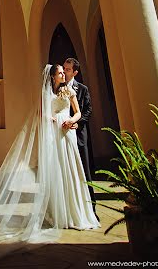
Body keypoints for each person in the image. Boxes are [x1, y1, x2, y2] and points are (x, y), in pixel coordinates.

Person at [0, 64, 99, 268]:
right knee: (58, 174)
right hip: (55, 135)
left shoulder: (70, 91)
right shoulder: (45, 93)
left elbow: (78, 112)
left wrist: (72, 121)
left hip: (68, 136)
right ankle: (59, 212)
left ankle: (76, 211)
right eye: (60, 72)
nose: (63, 74)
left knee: (72, 173)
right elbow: (40, 113)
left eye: (64, 72)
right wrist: (54, 119)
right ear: (52, 76)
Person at [63, 57, 97, 215]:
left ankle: (91, 208)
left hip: (78, 134)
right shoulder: (57, 88)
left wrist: (79, 122)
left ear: (75, 72)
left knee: (84, 170)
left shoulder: (82, 89)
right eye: (64, 68)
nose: (64, 71)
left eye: (68, 69)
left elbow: (88, 110)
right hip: (62, 136)